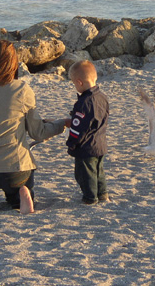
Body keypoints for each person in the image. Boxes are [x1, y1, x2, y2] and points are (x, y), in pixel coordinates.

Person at [0, 40, 66, 214]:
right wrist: (60, 124)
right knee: (20, 185)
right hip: (14, 167)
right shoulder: (21, 90)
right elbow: (37, 133)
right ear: (13, 63)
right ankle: (21, 194)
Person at [65, 60, 110, 205]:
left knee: (85, 174)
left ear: (79, 82)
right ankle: (102, 194)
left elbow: (79, 128)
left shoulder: (83, 103)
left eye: (74, 84)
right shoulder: (102, 98)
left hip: (86, 147)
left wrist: (72, 143)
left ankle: (90, 198)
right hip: (100, 143)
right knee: (98, 171)